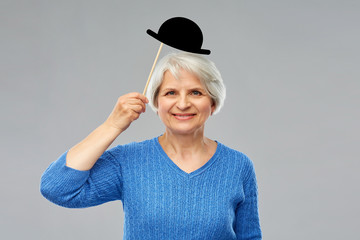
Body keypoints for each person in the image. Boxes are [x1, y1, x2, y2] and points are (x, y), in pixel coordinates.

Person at [40, 52, 262, 239]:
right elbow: (57, 188)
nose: (183, 104)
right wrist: (112, 125)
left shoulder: (238, 165)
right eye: (171, 93)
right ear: (156, 102)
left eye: (196, 92)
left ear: (212, 103)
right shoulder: (128, 161)